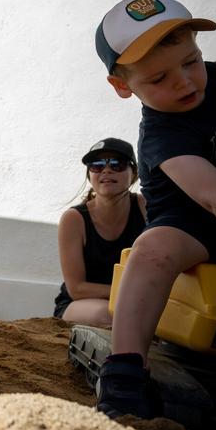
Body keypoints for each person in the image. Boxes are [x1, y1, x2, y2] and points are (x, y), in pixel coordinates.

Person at [92, 0, 216, 418]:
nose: (184, 81)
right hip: (194, 226)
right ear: (124, 86)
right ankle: (126, 369)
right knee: (153, 251)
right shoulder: (163, 136)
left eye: (191, 61)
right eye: (159, 78)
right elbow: (213, 197)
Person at [54, 137, 146, 327]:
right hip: (79, 304)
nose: (106, 170)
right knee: (111, 314)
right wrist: (129, 293)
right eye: (96, 165)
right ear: (90, 175)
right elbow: (76, 289)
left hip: (136, 300)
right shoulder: (73, 219)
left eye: (117, 164)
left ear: (134, 173)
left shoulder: (145, 207)